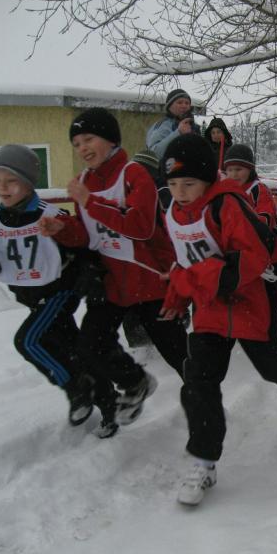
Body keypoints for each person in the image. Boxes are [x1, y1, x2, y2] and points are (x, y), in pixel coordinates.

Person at [159, 134, 277, 505]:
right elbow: (182, 261)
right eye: (173, 184)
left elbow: (253, 256)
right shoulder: (174, 213)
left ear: (208, 178)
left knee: (269, 364)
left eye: (188, 184)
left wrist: (199, 278)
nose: (180, 193)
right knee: (198, 381)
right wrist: (178, 296)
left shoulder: (226, 204)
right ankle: (203, 460)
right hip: (208, 312)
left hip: (250, 304)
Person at [39, 107, 188, 424]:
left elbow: (140, 226)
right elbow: (88, 234)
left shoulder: (134, 174)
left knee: (178, 354)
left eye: (88, 139)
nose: (82, 148)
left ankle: (206, 403)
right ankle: (136, 382)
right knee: (90, 345)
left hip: (151, 280)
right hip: (113, 284)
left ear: (110, 140)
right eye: (76, 143)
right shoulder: (83, 181)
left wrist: (90, 201)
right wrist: (63, 228)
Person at [0, 145, 118, 437]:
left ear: (29, 183)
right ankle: (108, 403)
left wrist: (91, 275)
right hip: (32, 298)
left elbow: (81, 247)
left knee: (27, 341)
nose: (2, 187)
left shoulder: (51, 215)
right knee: (75, 349)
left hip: (58, 293)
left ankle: (76, 388)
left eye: (11, 181)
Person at [223, 145, 277, 343]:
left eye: (239, 169)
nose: (234, 174)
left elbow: (265, 219)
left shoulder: (258, 190)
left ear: (250, 169)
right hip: (247, 254)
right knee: (255, 293)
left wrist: (239, 227)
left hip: (273, 251)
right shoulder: (226, 192)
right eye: (230, 170)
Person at [145, 88, 199, 158]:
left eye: (187, 103)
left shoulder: (195, 128)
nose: (184, 106)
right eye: (179, 102)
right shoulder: (164, 125)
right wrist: (178, 132)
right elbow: (154, 153)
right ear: (169, 106)